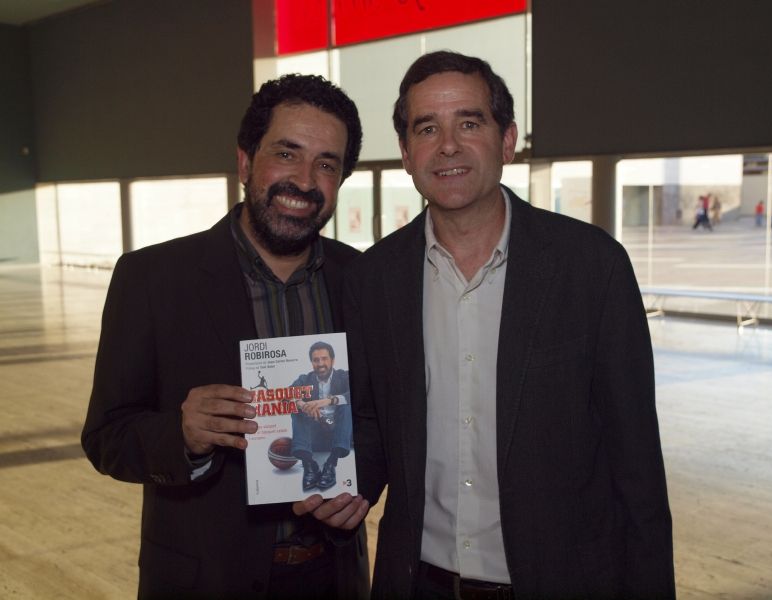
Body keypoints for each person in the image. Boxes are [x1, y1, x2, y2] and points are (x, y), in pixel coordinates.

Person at [340, 51, 675, 598]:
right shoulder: (373, 278)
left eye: (469, 122)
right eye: (428, 128)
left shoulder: (592, 267)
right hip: (419, 582)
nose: (448, 145)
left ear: (507, 139)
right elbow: (377, 421)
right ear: (405, 153)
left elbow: (636, 464)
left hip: (561, 580)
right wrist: (338, 481)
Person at [82, 74, 369, 599]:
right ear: (245, 162)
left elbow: (379, 420)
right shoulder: (152, 279)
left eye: (326, 164)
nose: (305, 181)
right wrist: (183, 436)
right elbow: (106, 437)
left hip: (333, 577)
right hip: (203, 581)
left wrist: (362, 483)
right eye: (287, 153)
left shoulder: (363, 280)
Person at [290, 341, 353, 491]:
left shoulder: (343, 376)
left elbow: (357, 392)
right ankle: (309, 465)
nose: (320, 363)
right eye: (316, 360)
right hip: (314, 438)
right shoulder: (304, 379)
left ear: (332, 360)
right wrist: (304, 406)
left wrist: (330, 400)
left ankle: (331, 464)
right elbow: (288, 395)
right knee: (296, 408)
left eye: (324, 358)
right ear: (312, 362)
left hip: (339, 436)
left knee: (346, 406)